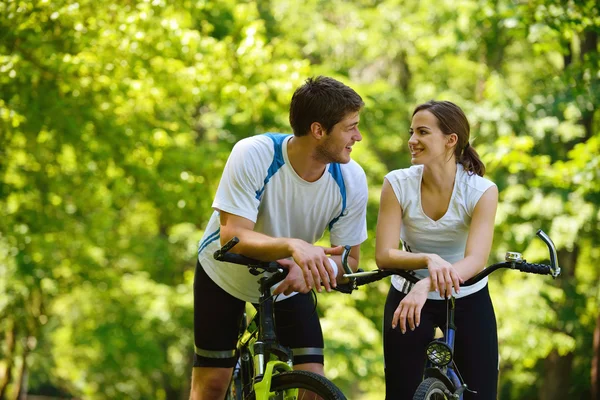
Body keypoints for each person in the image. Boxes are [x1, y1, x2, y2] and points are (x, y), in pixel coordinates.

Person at [191, 76, 368, 399]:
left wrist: (311, 267)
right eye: (350, 127)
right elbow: (232, 237)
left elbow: (349, 260)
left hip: (287, 282)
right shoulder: (254, 154)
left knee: (312, 380)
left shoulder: (351, 178)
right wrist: (294, 247)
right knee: (213, 383)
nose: (357, 136)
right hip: (224, 273)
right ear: (318, 130)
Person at [375, 100, 499, 399]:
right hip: (407, 297)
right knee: (401, 392)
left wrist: (429, 282)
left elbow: (476, 260)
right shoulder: (397, 183)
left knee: (480, 392)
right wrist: (429, 261)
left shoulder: (481, 191)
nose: (412, 140)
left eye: (422, 132)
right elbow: (384, 254)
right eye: (411, 131)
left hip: (467, 296)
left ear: (450, 140)